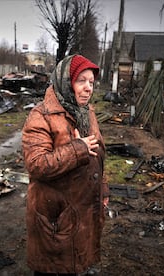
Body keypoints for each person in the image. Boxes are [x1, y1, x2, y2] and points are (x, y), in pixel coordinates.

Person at [21, 54, 109, 275]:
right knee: (54, 265)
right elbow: (36, 164)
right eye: (82, 81)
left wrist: (103, 190)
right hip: (56, 213)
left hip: (82, 208)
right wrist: (77, 149)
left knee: (77, 258)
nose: (88, 88)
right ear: (65, 81)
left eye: (91, 82)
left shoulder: (86, 112)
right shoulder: (41, 115)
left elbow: (98, 156)